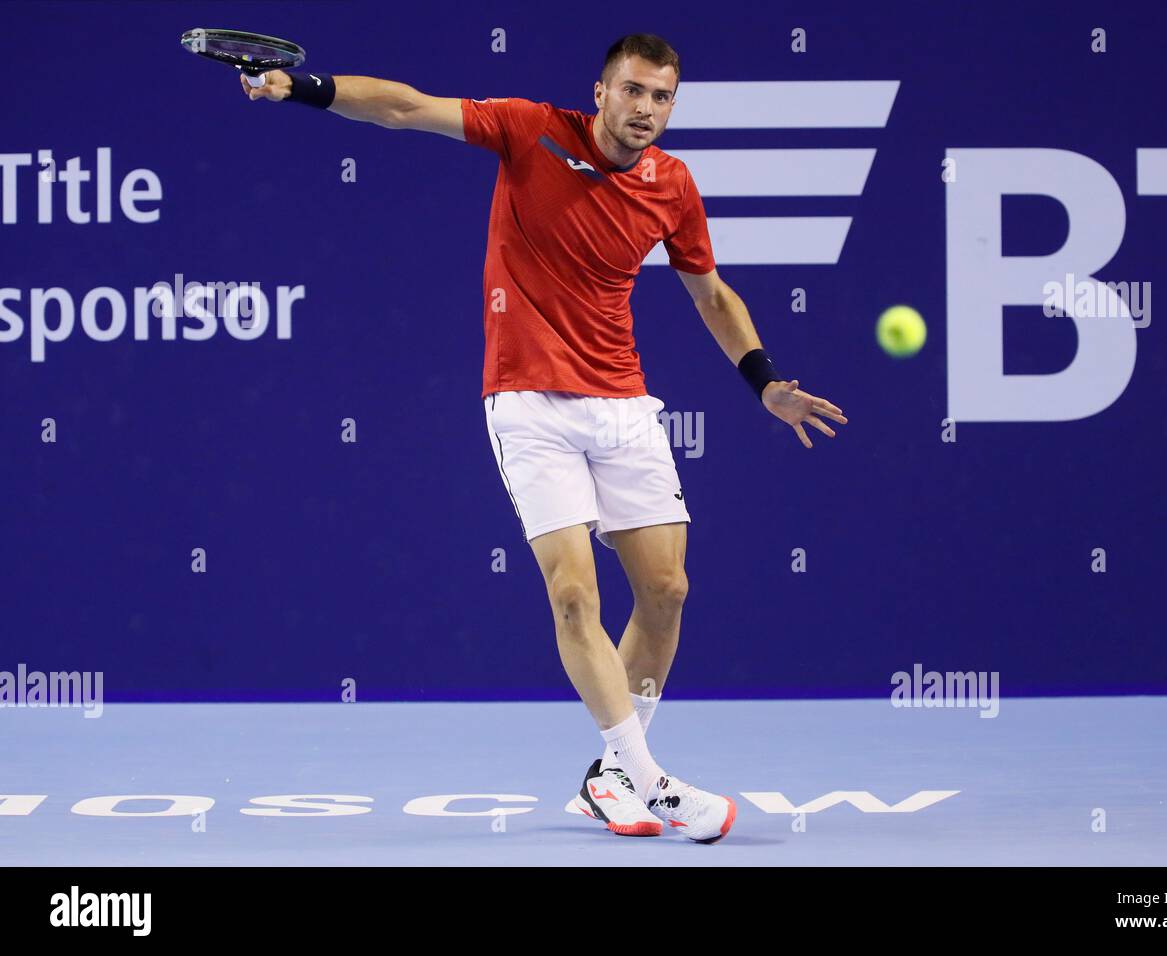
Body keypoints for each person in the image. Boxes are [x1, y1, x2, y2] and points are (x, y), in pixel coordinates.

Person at [241, 32, 847, 843]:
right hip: (528, 403)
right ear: (599, 92)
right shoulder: (528, 130)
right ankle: (649, 780)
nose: (645, 110)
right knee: (572, 594)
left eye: (661, 97)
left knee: (666, 591)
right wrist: (302, 87)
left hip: (624, 405)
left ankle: (611, 778)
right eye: (632, 91)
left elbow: (711, 295)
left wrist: (765, 381)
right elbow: (405, 107)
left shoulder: (673, 185)